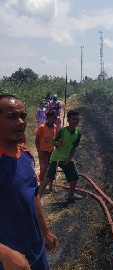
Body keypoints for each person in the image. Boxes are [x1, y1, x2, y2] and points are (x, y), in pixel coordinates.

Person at [0, 94, 57, 270]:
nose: (21, 122)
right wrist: (5, 253)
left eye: (23, 115)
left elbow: (34, 197)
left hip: (35, 251)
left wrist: (45, 231)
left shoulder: (26, 155)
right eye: (12, 117)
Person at [39, 110, 82, 202]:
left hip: (66, 158)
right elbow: (54, 142)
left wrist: (69, 159)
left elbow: (74, 148)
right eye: (73, 119)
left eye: (77, 119)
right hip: (56, 158)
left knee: (74, 176)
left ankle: (71, 195)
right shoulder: (62, 131)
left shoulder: (78, 133)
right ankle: (37, 197)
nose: (75, 121)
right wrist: (58, 143)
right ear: (68, 120)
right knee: (48, 177)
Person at [35, 110, 57, 190]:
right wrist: (39, 151)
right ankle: (42, 187)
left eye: (54, 118)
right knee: (43, 169)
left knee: (51, 169)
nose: (52, 120)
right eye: (50, 118)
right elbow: (36, 140)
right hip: (43, 151)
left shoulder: (54, 127)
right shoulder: (41, 127)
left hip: (51, 151)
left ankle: (51, 186)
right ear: (47, 118)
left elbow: (53, 140)